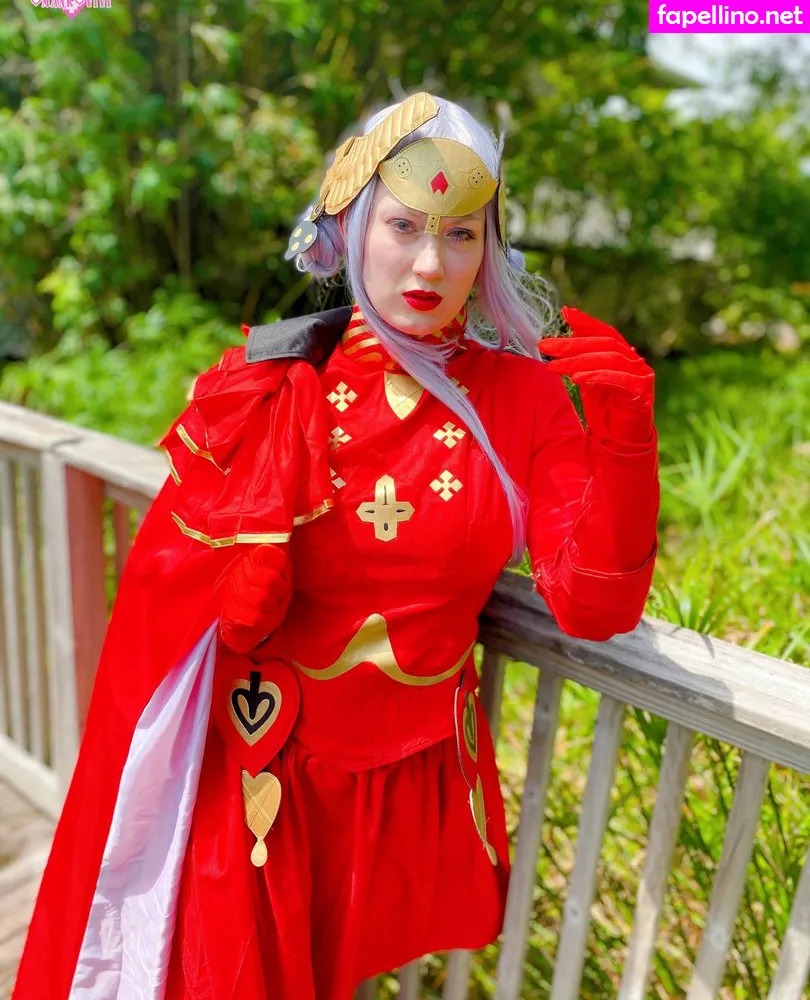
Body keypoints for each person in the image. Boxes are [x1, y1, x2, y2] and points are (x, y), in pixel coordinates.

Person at [13, 92, 659, 1000]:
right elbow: (169, 591)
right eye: (404, 226)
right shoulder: (275, 383)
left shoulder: (524, 400)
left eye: (461, 235)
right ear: (353, 226)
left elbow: (593, 607)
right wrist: (240, 576)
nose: (430, 263)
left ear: (489, 248)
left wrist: (625, 437)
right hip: (262, 773)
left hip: (409, 783)